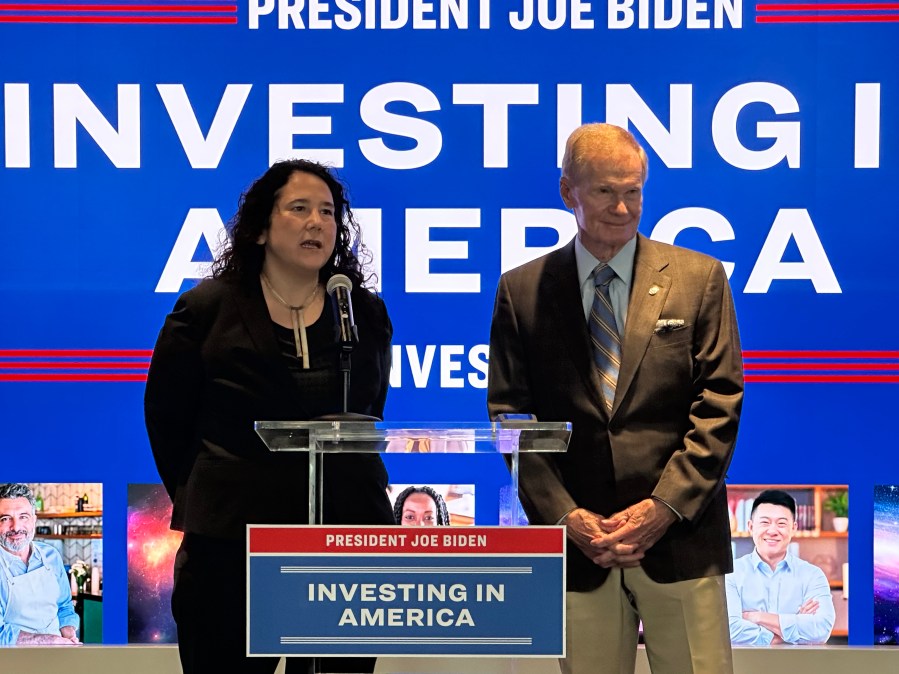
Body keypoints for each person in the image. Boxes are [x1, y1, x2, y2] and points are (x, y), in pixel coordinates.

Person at [487, 123, 744, 674]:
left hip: (680, 540)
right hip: (581, 549)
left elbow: (719, 401)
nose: (622, 207)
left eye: (633, 190)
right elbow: (511, 416)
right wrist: (565, 517)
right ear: (567, 192)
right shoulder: (521, 290)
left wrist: (663, 507)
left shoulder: (699, 279)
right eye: (605, 191)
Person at [145, 159, 396, 674]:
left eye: (328, 212)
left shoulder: (363, 312)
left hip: (344, 546)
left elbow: (370, 414)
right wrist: (210, 498)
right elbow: (167, 420)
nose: (316, 223)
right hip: (231, 548)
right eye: (299, 209)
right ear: (261, 227)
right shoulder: (206, 310)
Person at [726, 489, 835, 645]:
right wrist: (785, 633)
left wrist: (756, 617)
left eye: (781, 523)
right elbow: (729, 629)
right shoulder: (731, 573)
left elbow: (821, 629)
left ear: (794, 528)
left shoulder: (812, 575)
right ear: (750, 526)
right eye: (765, 522)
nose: (772, 531)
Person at [0, 483, 80, 646]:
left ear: (34, 520)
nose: (16, 527)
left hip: (55, 656)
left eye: (23, 516)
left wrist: (68, 633)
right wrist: (47, 641)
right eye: (5, 518)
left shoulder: (51, 555)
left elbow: (64, 606)